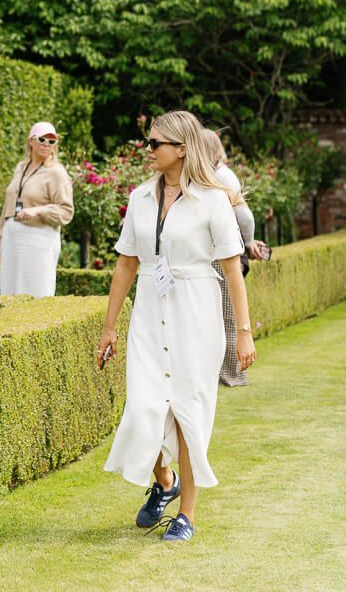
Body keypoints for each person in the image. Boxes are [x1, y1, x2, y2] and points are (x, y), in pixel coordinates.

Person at [96, 111, 255, 543]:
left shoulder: (213, 200)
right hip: (149, 311)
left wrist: (243, 331)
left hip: (196, 312)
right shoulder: (141, 198)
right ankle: (165, 481)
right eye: (148, 142)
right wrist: (109, 328)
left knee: (188, 412)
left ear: (181, 149)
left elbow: (232, 269)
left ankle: (185, 514)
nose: (147, 150)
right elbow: (126, 262)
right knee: (143, 409)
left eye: (155, 144)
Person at [201, 129, 271, 387]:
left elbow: (244, 215)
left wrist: (247, 243)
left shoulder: (221, 176)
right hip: (226, 251)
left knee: (228, 316)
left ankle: (232, 374)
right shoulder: (218, 174)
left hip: (228, 254)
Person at [0, 121, 74, 297]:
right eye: (42, 139)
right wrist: (0, 239)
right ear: (31, 141)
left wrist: (38, 210)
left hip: (38, 238)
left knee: (36, 291)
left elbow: (66, 211)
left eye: (52, 141)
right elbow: (8, 205)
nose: (47, 144)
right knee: (8, 291)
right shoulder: (20, 167)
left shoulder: (56, 172)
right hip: (11, 238)